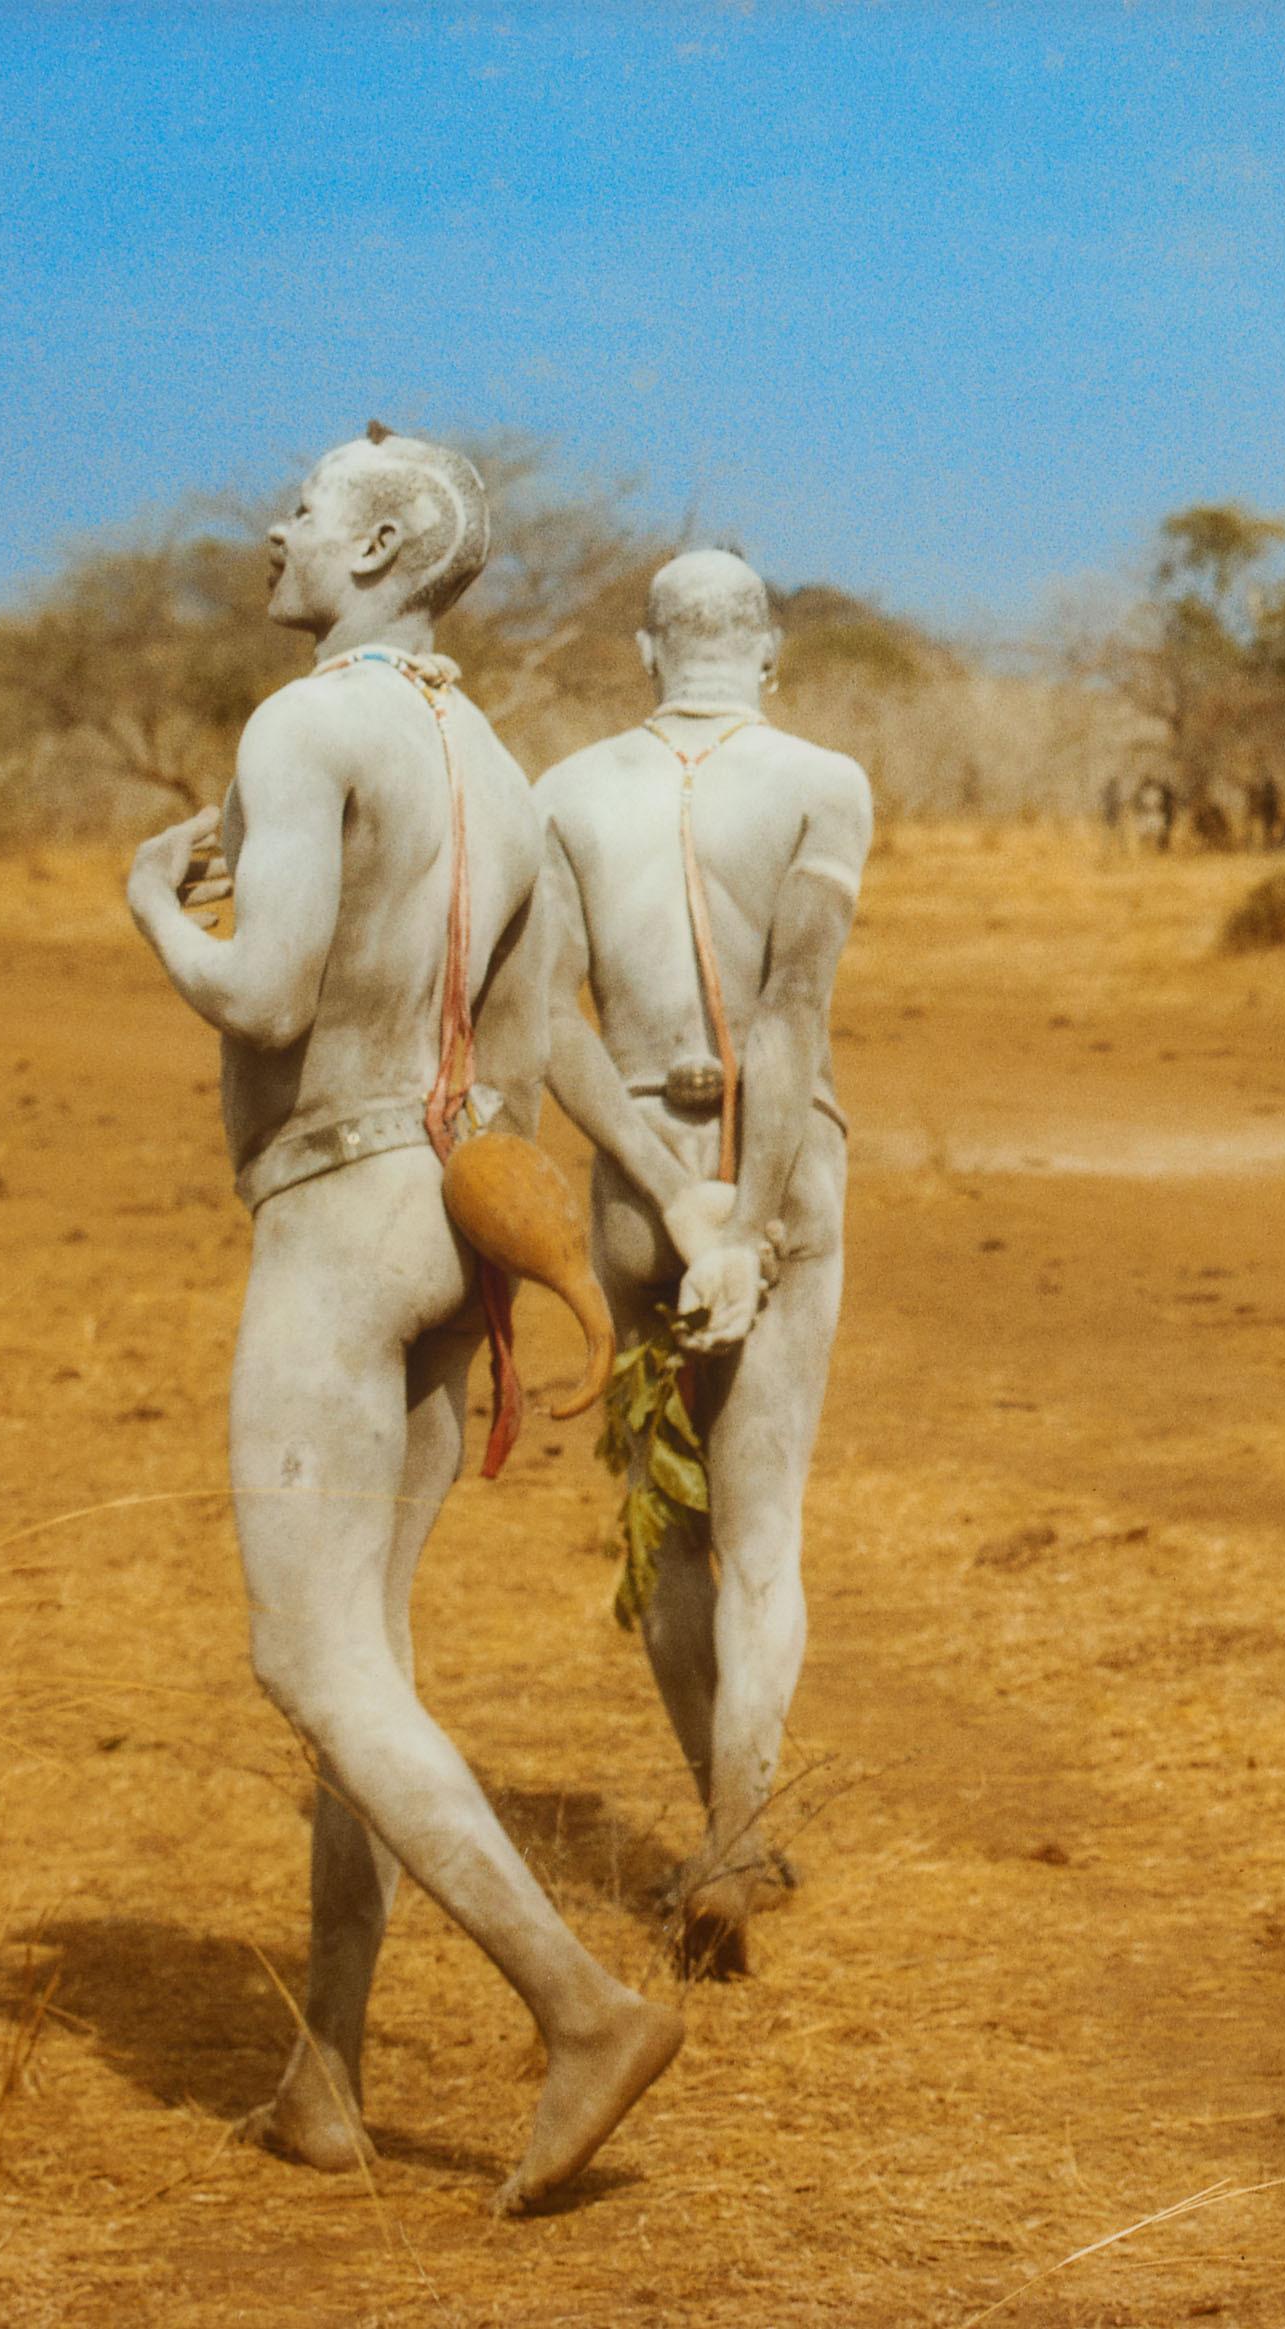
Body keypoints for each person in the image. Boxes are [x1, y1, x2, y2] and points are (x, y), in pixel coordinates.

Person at [124, 427, 683, 2215]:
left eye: (298, 504)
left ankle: (581, 2006)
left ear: (374, 540)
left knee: (311, 1660)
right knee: (370, 1660)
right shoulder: (499, 765)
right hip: (452, 1221)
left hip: (335, 1218)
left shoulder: (305, 726)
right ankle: (327, 2073)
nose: (273, 522)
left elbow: (264, 981)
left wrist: (153, 902)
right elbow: (520, 1053)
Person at [536, 551, 876, 1977]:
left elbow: (547, 1014)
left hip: (633, 1171)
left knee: (666, 1527)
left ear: (642, 648)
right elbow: (792, 1004)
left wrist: (673, 1198)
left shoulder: (563, 793)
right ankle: (737, 1834)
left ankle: (718, 1825)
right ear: (771, 652)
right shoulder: (820, 780)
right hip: (781, 1158)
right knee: (762, 1529)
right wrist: (746, 1215)